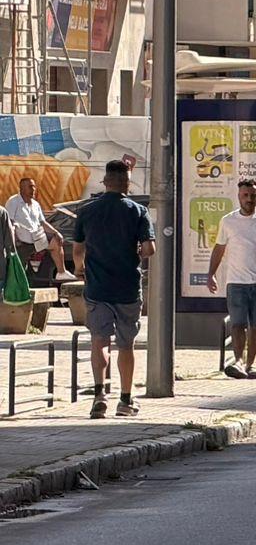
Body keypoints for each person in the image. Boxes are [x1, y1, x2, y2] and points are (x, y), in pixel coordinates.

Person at [71, 159, 154, 417]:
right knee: (126, 345)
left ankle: (99, 396)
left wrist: (79, 268)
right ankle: (126, 400)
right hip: (128, 288)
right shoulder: (138, 211)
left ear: (105, 182)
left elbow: (77, 249)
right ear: (127, 184)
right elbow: (149, 249)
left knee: (99, 341)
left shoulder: (86, 211)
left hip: (97, 288)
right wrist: (137, 253)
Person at [206, 177, 256, 379]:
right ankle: (239, 361)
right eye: (245, 195)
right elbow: (219, 249)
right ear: (238, 197)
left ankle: (251, 364)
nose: (249, 199)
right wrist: (211, 274)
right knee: (237, 323)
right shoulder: (228, 220)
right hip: (236, 282)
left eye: (253, 195)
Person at [6, 175, 61, 286]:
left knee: (56, 241)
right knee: (18, 270)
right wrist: (13, 241)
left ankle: (61, 272)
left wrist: (56, 232)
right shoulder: (13, 202)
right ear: (21, 188)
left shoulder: (36, 204)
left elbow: (43, 222)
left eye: (34, 187)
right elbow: (10, 223)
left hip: (37, 239)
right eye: (30, 187)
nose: (33, 189)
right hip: (22, 242)